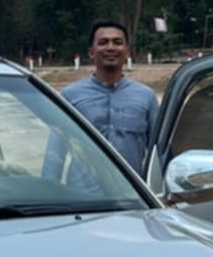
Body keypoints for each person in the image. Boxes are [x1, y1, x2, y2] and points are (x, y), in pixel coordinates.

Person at [59, 20, 159, 173]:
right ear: (91, 53)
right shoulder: (70, 96)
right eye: (103, 42)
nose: (110, 47)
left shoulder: (146, 97)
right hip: (83, 192)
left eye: (117, 42)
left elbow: (158, 152)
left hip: (130, 192)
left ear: (127, 52)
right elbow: (56, 150)